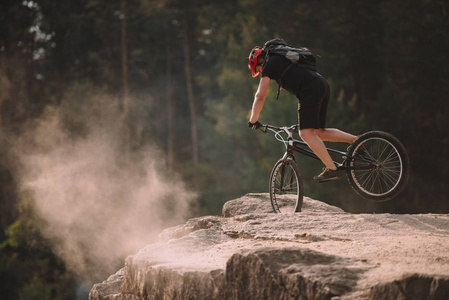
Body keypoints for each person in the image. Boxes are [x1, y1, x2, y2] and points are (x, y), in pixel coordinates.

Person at [247, 41, 358, 182]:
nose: (261, 72)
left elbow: (260, 96)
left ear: (261, 60)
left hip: (310, 89)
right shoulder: (281, 60)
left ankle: (332, 169)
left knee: (305, 133)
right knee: (318, 132)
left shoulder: (270, 64)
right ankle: (357, 141)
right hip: (321, 84)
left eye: (258, 69)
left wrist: (253, 120)